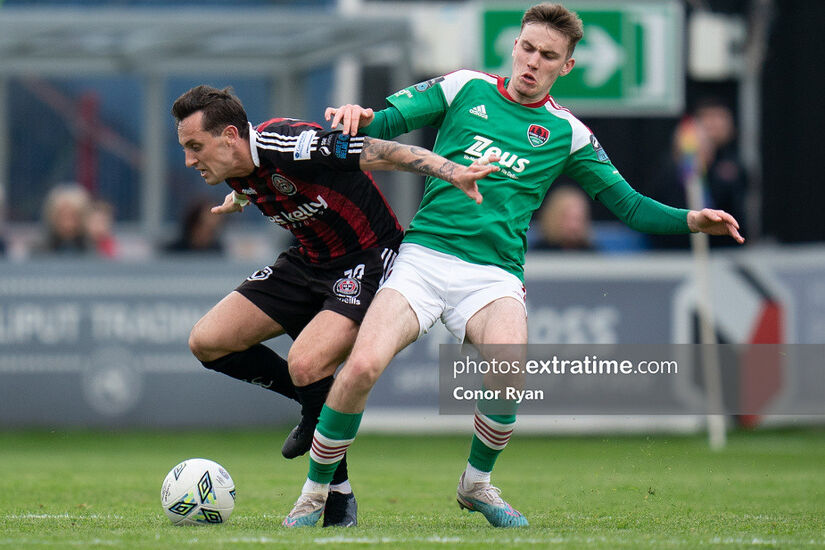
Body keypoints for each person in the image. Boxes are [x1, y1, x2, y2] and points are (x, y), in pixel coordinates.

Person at [283, 2, 744, 528]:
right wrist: (357, 115)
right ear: (514, 45)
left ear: (566, 66)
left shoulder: (568, 134)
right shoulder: (465, 88)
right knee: (362, 367)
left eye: (548, 55)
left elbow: (631, 206)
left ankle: (477, 485)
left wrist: (691, 219)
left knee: (509, 367)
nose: (532, 62)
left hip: (493, 274)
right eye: (526, 47)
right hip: (424, 257)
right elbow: (383, 121)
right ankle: (315, 494)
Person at [170, 85, 497, 527]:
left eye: (195, 147)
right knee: (207, 341)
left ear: (230, 135)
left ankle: (336, 493)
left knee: (307, 365)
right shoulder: (233, 164)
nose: (190, 160)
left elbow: (383, 152)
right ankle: (317, 410)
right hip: (307, 261)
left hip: (366, 259)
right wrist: (241, 197)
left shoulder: (291, 145)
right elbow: (260, 182)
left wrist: (452, 171)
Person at [649, 97, 749, 249]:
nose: (714, 125)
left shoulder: (730, 167)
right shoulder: (668, 173)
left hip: (723, 248)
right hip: (674, 250)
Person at [33, 183, 92, 255]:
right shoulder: (39, 252)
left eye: (72, 216)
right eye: (62, 216)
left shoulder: (94, 252)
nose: (67, 224)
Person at [531, 184, 594, 250]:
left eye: (578, 219)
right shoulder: (539, 254)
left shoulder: (592, 255)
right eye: (567, 218)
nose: (573, 226)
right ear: (552, 219)